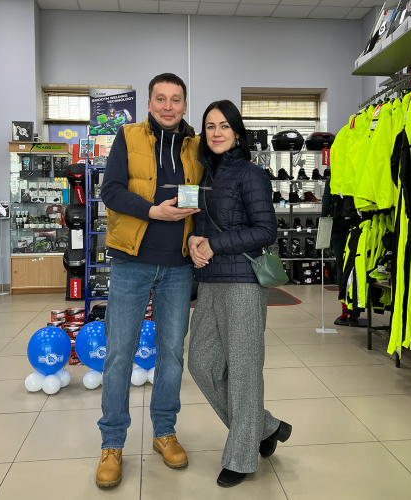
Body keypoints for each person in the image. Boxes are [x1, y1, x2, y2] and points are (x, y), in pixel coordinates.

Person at [96, 73, 204, 488]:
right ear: (149, 103)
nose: (168, 106)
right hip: (132, 261)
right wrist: (152, 211)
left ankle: (164, 432)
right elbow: (111, 191)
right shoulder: (127, 137)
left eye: (175, 99)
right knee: (119, 353)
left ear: (185, 105)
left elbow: (201, 196)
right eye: (161, 99)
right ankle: (112, 443)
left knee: (171, 353)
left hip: (178, 265)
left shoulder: (195, 144)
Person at [187, 100, 292, 488]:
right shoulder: (200, 176)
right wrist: (194, 243)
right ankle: (264, 427)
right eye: (210, 126)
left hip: (245, 284)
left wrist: (214, 244)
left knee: (244, 370)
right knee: (201, 363)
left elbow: (266, 231)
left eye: (224, 126)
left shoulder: (251, 174)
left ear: (236, 132)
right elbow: (197, 225)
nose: (216, 132)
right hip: (210, 281)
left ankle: (242, 457)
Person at [321, 178, 362, 326]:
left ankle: (345, 308)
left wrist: (323, 224)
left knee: (340, 265)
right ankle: (354, 309)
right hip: (357, 223)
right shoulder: (355, 174)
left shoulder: (333, 179)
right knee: (357, 263)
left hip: (337, 224)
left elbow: (326, 204)